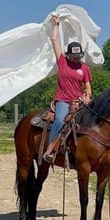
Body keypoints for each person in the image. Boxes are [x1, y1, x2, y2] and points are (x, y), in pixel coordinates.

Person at [42, 14, 92, 163]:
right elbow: (55, 40)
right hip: (63, 101)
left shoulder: (85, 68)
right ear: (68, 55)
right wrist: (56, 25)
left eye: (79, 56)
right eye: (74, 56)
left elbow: (88, 87)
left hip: (79, 102)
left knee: (97, 119)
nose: (77, 58)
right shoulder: (62, 61)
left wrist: (87, 96)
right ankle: (51, 150)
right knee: (59, 120)